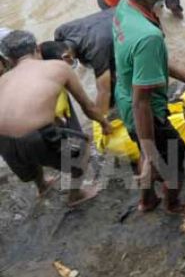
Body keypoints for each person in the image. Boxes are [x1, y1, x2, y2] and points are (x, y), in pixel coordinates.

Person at [113, 0, 185, 214]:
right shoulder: (148, 38)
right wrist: (151, 149)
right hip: (145, 110)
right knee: (173, 158)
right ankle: (173, 204)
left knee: (148, 156)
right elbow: (141, 101)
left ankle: (146, 201)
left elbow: (146, 66)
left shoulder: (126, 4)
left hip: (123, 98)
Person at [0, 30, 111, 207]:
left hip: (4, 142)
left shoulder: (3, 79)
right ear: (37, 48)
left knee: (28, 145)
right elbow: (88, 107)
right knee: (83, 148)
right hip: (35, 138)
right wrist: (104, 123)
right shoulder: (58, 67)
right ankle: (76, 195)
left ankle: (42, 186)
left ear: (8, 59)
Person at [39, 9, 116, 115]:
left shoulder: (95, 51)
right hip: (112, 15)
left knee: (109, 83)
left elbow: (104, 92)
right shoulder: (61, 31)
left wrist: (102, 123)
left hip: (130, 24)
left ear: (66, 57)